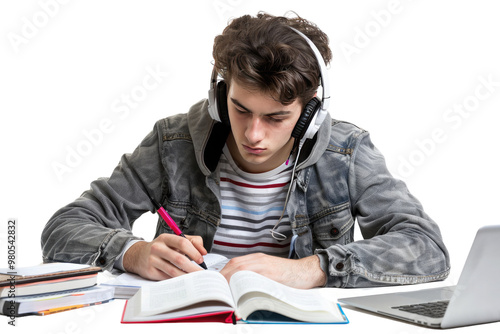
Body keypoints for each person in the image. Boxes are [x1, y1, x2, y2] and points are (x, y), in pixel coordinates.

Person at [41, 12, 450, 289]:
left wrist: (312, 269)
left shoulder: (347, 152)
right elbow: (65, 226)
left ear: (310, 114)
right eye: (240, 110)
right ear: (220, 99)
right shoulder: (173, 141)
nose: (254, 134)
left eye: (276, 117)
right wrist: (132, 252)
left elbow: (427, 248)